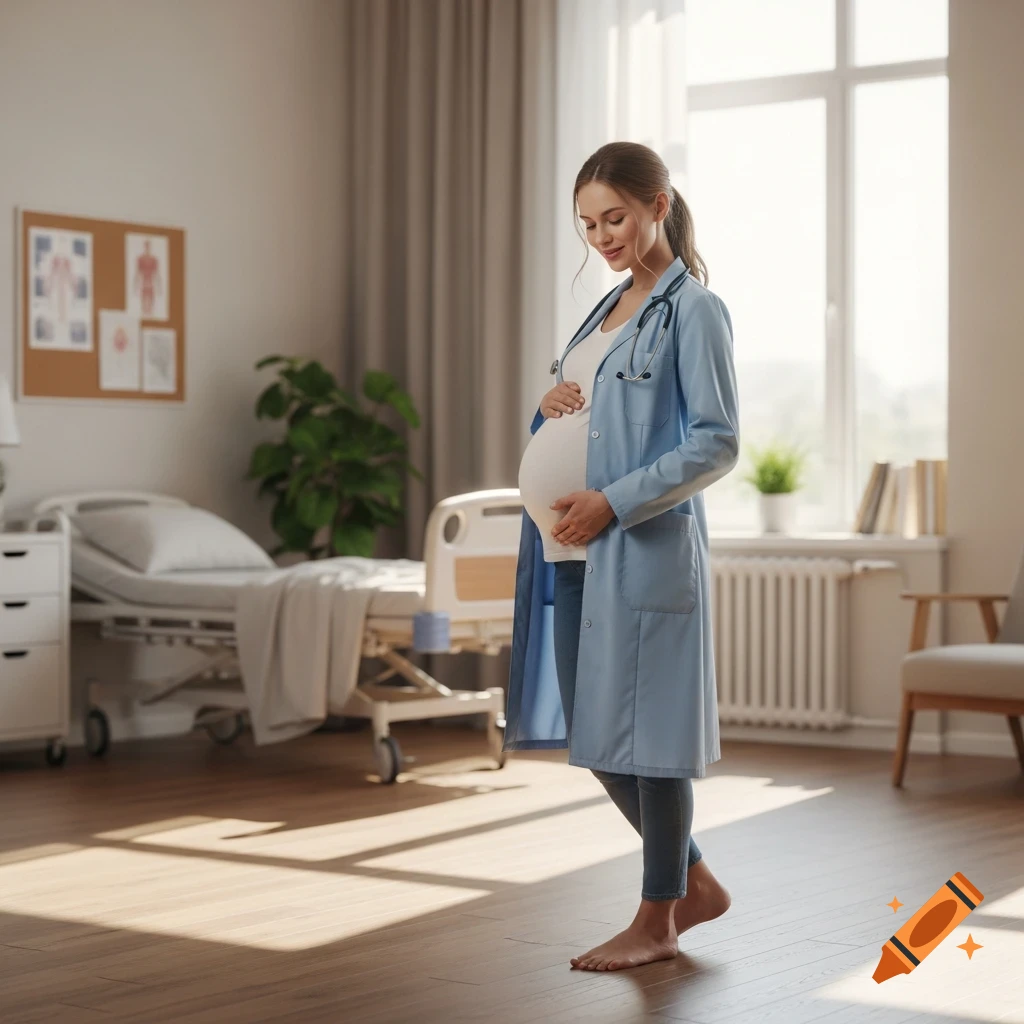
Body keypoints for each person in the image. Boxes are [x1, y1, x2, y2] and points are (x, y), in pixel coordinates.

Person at [507, 141, 740, 972]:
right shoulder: (602, 310)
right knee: (597, 737)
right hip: (568, 557)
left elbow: (716, 444)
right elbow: (583, 417)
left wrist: (611, 500)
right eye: (588, 223)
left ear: (657, 203)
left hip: (636, 548)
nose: (602, 235)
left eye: (615, 217)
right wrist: (549, 403)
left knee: (646, 741)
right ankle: (695, 882)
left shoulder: (693, 310)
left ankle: (658, 918)